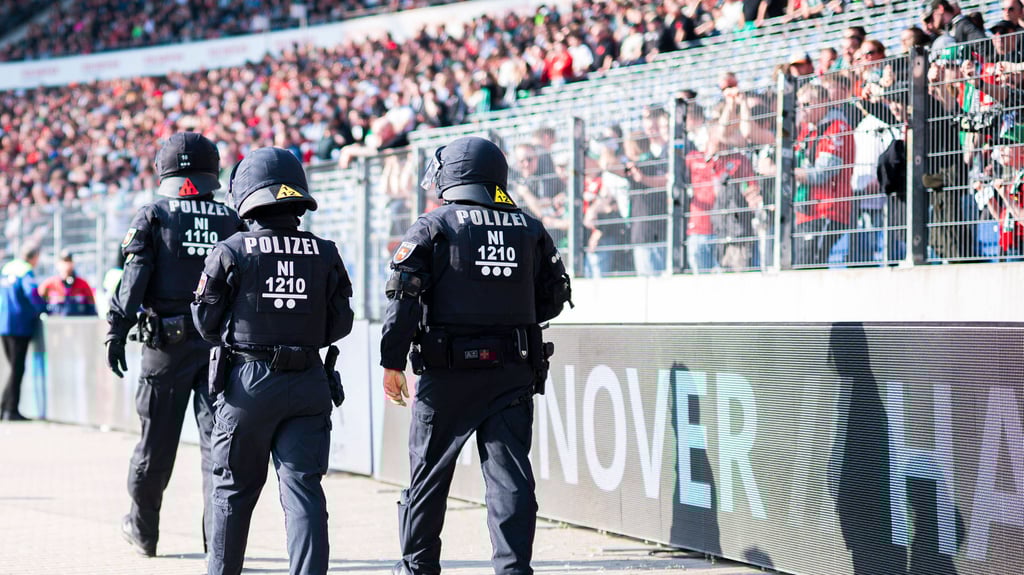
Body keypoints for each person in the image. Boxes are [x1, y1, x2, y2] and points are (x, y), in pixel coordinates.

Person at [380, 136, 572, 575]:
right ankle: (513, 569)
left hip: (446, 374)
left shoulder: (434, 225)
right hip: (512, 371)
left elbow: (403, 297)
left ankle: (417, 567)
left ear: (455, 176)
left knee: (427, 479)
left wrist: (392, 360)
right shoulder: (529, 226)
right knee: (510, 480)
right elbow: (555, 296)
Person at [192, 146, 354, 575]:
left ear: (246, 195)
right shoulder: (326, 251)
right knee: (304, 493)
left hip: (248, 384)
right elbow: (340, 325)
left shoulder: (231, 250)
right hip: (308, 380)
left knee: (232, 492)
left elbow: (206, 322)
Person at [105, 132, 243, 557]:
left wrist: (116, 327)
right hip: (220, 348)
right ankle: (218, 547)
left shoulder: (154, 214)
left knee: (155, 445)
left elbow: (134, 279)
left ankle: (144, 531)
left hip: (165, 346)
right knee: (218, 449)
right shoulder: (230, 218)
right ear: (211, 170)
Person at [0, 244, 45, 421]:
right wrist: (43, 308)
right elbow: (32, 293)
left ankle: (4, 407)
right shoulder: (26, 271)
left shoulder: (7, 268)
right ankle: (11, 409)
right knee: (17, 368)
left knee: (13, 368)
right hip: (19, 326)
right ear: (33, 258)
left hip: (3, 323)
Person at [37, 250, 96, 316]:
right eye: (64, 261)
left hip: (77, 323)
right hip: (56, 324)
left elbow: (92, 307)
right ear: (58, 264)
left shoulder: (83, 284)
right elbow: (39, 302)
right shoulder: (49, 284)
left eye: (69, 261)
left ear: (73, 263)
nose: (66, 265)